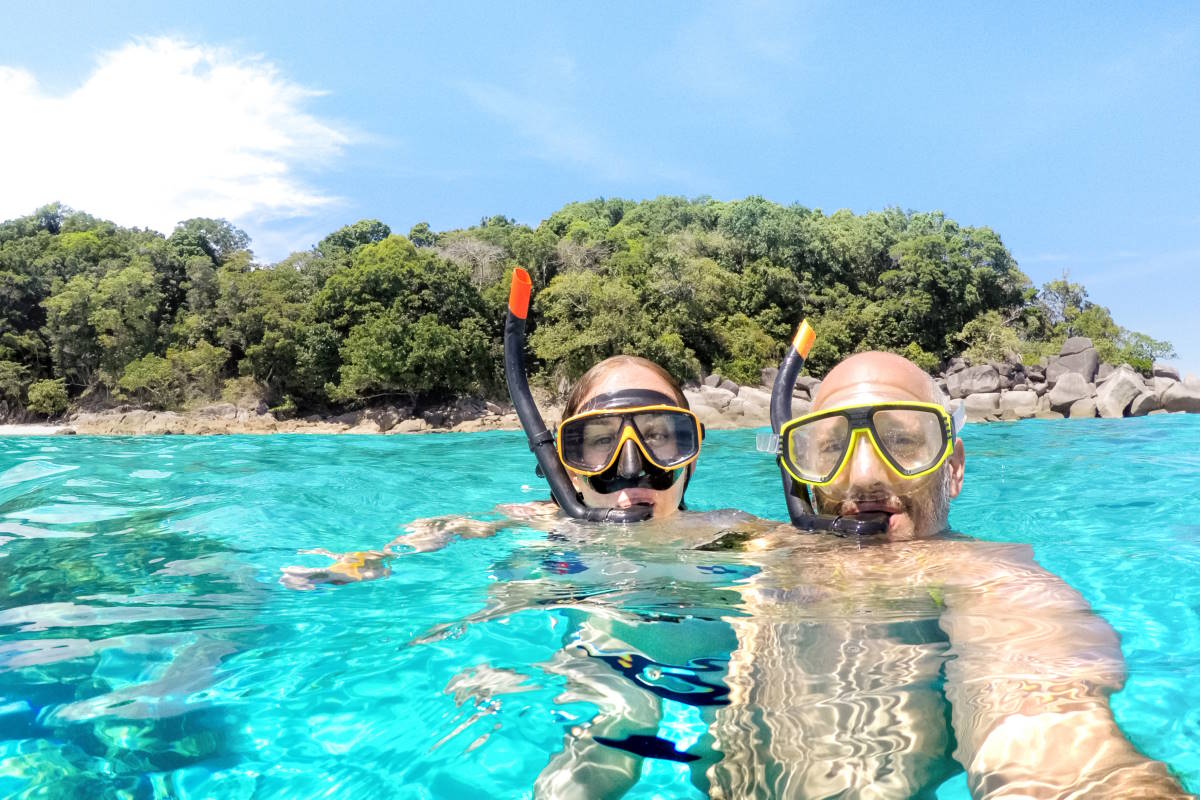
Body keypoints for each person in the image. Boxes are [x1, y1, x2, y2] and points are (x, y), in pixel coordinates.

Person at [708, 348, 1193, 798]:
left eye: (901, 441)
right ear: (801, 473)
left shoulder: (985, 580)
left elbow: (1056, 747)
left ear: (953, 469)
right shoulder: (767, 542)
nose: (864, 476)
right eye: (832, 447)